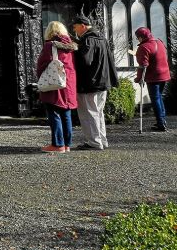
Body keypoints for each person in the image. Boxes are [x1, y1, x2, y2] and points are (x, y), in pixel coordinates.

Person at [72, 14, 119, 151]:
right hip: (102, 81)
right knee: (98, 112)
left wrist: (74, 51)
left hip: (89, 83)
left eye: (75, 27)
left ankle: (94, 142)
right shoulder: (101, 38)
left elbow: (85, 61)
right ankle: (102, 140)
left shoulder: (88, 40)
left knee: (89, 113)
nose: (75, 30)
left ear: (83, 26)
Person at [36, 21, 78, 153]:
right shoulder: (71, 47)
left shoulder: (50, 45)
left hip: (54, 83)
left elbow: (42, 64)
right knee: (66, 114)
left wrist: (40, 76)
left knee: (54, 113)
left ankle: (58, 144)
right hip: (68, 83)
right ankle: (67, 144)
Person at [135, 27, 171, 131]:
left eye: (138, 38)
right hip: (164, 74)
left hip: (153, 77)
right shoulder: (159, 42)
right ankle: (162, 121)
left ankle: (160, 123)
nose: (138, 40)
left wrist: (138, 78)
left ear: (141, 37)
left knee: (155, 99)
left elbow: (143, 66)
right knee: (159, 97)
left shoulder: (144, 47)